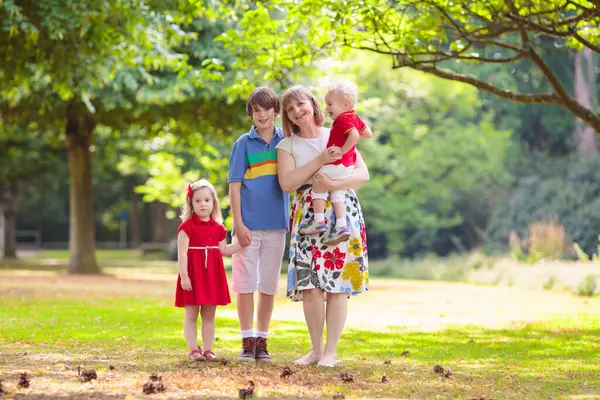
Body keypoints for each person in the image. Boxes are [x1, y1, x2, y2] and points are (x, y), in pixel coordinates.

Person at [275, 85, 370, 367]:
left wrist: (333, 184)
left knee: (338, 284)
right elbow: (287, 183)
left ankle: (331, 352)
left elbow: (362, 174)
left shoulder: (336, 130)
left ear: (313, 104)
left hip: (341, 210)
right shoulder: (287, 145)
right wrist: (320, 160)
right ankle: (315, 350)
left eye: (300, 104)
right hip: (308, 212)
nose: (296, 111)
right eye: (290, 109)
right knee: (311, 285)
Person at [228, 87, 289, 362]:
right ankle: (247, 340)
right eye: (256, 110)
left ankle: (262, 341)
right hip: (247, 227)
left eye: (266, 109)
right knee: (245, 285)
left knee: (268, 285)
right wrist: (238, 224)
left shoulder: (286, 141)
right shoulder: (243, 143)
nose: (262, 114)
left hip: (277, 226)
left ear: (276, 110)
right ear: (250, 114)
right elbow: (234, 186)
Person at [175, 179, 244, 361]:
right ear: (191, 204)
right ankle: (193, 350)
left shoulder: (219, 228)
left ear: (213, 202)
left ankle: (208, 349)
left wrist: (240, 245)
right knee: (191, 313)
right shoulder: (186, 228)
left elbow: (224, 250)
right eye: (197, 201)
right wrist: (184, 276)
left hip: (211, 275)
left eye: (206, 200)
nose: (202, 204)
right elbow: (182, 253)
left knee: (209, 314)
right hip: (192, 274)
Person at [299, 80, 373, 246]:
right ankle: (341, 225)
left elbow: (354, 135)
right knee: (336, 192)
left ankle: (318, 220)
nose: (327, 108)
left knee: (319, 183)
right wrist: (349, 140)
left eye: (330, 104)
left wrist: (343, 149)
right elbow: (367, 134)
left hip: (337, 162)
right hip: (346, 167)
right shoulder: (354, 117)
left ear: (346, 103)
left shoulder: (342, 120)